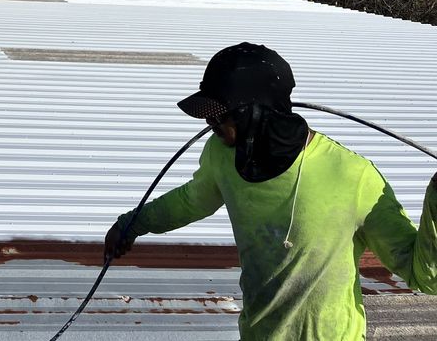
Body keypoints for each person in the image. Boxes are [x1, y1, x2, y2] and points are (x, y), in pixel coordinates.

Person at [104, 42, 437, 341]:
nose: (211, 126)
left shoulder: (352, 176)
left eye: (221, 116)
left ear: (256, 113)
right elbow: (193, 200)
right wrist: (133, 223)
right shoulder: (222, 156)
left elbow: (422, 275)